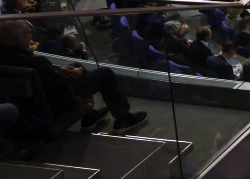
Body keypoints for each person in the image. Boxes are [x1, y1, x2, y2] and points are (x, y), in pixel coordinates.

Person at [0, 20, 147, 133]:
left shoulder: (9, 57)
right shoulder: (30, 60)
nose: (32, 39)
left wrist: (60, 69)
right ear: (19, 38)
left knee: (77, 63)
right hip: (57, 103)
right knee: (105, 73)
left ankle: (90, 118)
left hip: (34, 103)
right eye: (29, 34)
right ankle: (123, 119)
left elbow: (46, 76)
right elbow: (58, 85)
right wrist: (75, 74)